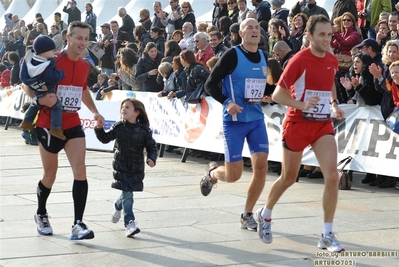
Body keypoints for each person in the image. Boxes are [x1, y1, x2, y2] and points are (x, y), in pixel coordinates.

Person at [258, 15, 345, 252]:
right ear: (309, 36)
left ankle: (327, 234)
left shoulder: (331, 59)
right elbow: (278, 95)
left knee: (333, 176)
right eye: (321, 35)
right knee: (289, 177)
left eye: (329, 34)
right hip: (297, 123)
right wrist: (302, 105)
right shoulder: (299, 59)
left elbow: (330, 81)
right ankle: (265, 215)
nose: (327, 39)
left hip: (322, 125)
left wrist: (335, 104)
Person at [22, 21, 105, 240]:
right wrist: (40, 98)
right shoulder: (53, 60)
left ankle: (78, 224)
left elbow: (83, 89)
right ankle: (41, 213)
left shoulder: (86, 65)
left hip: (72, 122)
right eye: (79, 38)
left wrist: (95, 111)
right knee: (50, 175)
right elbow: (26, 83)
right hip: (48, 125)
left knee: (81, 170)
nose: (83, 43)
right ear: (68, 38)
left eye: (86, 39)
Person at [201, 18, 270, 232]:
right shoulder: (232, 55)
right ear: (241, 33)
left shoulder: (263, 56)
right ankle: (212, 174)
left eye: (257, 27)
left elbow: (262, 87)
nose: (254, 30)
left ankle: (247, 214)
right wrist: (228, 102)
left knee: (261, 167)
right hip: (235, 121)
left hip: (256, 119)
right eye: (249, 27)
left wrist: (267, 96)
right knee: (234, 175)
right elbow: (210, 84)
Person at [94, 98, 157, 237]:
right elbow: (105, 138)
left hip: (136, 167)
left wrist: (151, 158)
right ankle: (129, 223)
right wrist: (98, 128)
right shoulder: (119, 127)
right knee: (128, 194)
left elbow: (152, 146)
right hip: (121, 166)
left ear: (137, 112)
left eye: (127, 107)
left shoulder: (144, 130)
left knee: (126, 192)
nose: (123, 109)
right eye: (122, 107)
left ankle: (117, 206)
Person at [19, 35, 66, 140]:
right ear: (43, 52)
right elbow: (52, 77)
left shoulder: (30, 60)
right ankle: (56, 128)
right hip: (46, 88)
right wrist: (61, 74)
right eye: (52, 50)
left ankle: (27, 121)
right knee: (56, 105)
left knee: (36, 104)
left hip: (36, 88)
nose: (54, 52)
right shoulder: (45, 65)